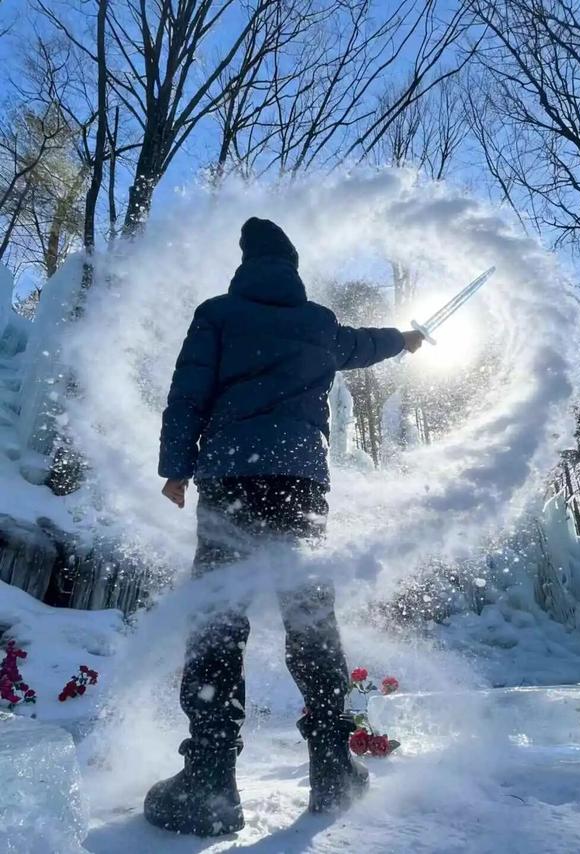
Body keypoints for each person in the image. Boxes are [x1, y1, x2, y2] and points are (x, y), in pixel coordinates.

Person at [144, 217, 423, 837]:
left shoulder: (217, 314)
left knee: (219, 614)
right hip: (301, 484)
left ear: (245, 263)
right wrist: (406, 338)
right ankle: (333, 767)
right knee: (309, 614)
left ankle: (210, 778)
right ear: (292, 267)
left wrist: (175, 470)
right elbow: (364, 345)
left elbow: (186, 393)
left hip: (232, 479)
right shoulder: (318, 322)